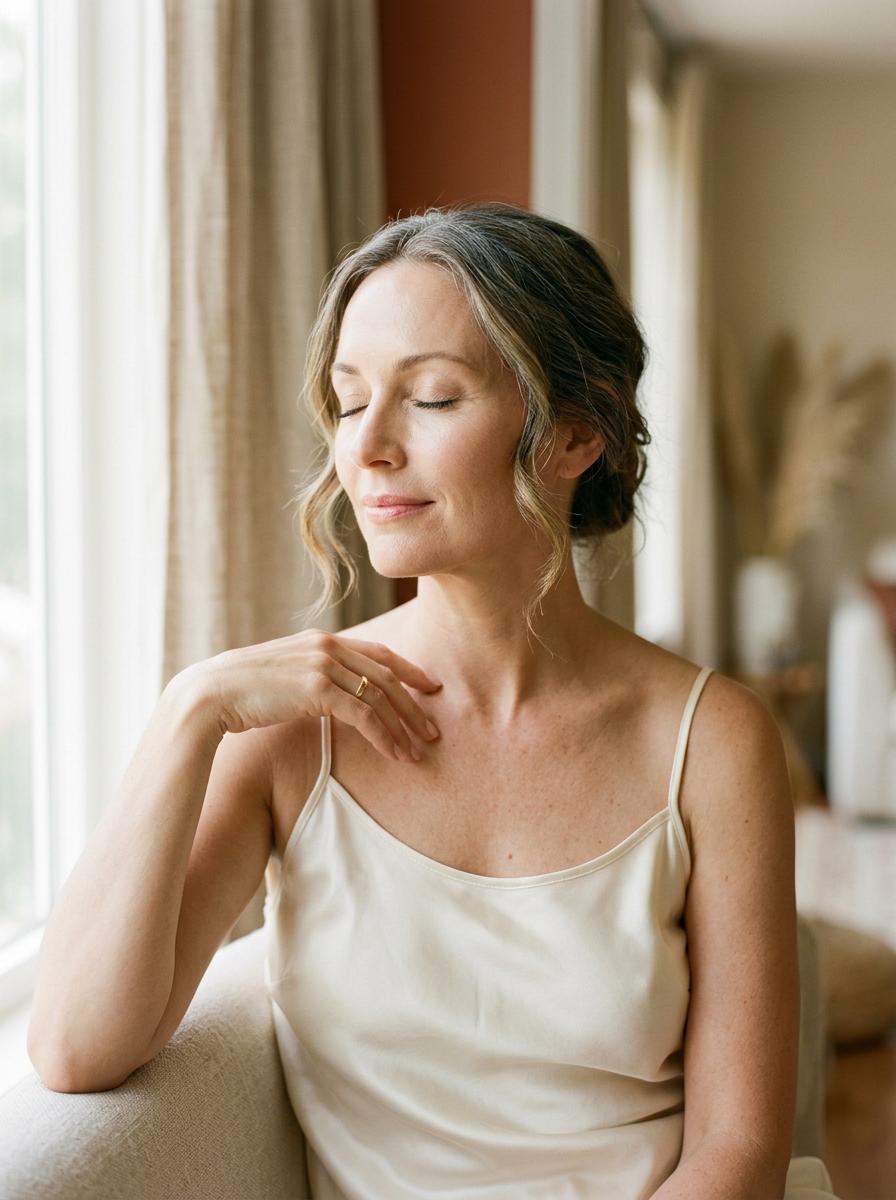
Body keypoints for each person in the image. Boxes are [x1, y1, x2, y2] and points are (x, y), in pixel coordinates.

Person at [27, 203, 838, 1199]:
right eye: (348, 398)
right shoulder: (292, 729)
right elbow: (73, 1047)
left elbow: (736, 1151)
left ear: (573, 433)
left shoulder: (710, 740)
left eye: (432, 398)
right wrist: (189, 709)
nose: (363, 448)